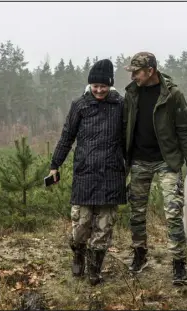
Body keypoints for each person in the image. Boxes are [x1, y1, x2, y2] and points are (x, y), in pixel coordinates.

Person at [122, 52, 187, 286]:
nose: (134, 76)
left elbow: (184, 132)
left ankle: (179, 264)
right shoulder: (132, 94)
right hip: (138, 160)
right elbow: (125, 127)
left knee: (173, 213)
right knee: (136, 212)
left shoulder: (173, 95)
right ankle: (140, 255)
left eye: (137, 72)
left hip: (167, 161)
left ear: (150, 71)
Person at [48, 59, 126, 286]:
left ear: (110, 85)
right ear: (89, 85)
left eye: (103, 86)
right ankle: (78, 255)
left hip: (112, 175)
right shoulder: (79, 105)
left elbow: (128, 139)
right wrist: (55, 164)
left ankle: (95, 269)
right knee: (81, 225)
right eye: (95, 86)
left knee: (104, 228)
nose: (99, 90)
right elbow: (66, 136)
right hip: (85, 173)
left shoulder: (121, 105)